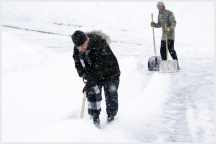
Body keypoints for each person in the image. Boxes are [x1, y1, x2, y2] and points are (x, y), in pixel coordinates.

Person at [71, 30, 120, 128]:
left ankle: (111, 118)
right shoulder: (78, 48)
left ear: (87, 40)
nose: (81, 48)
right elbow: (78, 64)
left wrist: (92, 80)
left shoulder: (99, 44)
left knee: (111, 94)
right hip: (94, 73)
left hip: (110, 73)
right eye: (78, 47)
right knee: (92, 93)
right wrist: (85, 76)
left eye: (82, 45)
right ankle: (94, 120)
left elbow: (101, 66)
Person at [151, 2, 180, 70]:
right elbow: (159, 24)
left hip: (170, 35)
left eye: (160, 6)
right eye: (158, 6)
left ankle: (176, 64)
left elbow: (174, 22)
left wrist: (170, 28)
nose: (159, 7)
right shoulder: (159, 14)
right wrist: (154, 25)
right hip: (164, 36)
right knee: (162, 50)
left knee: (171, 50)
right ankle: (164, 64)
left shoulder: (169, 13)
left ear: (163, 6)